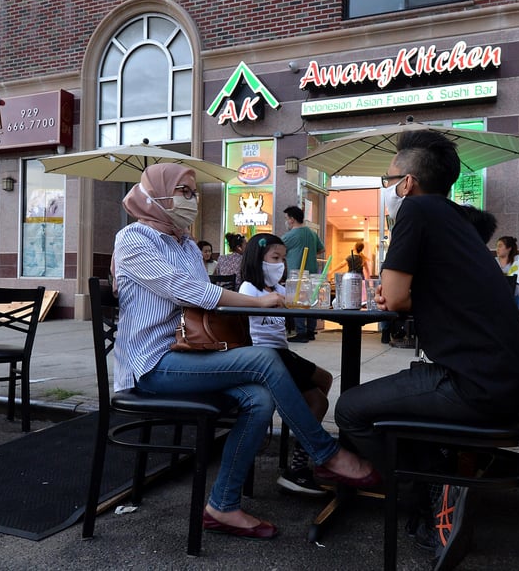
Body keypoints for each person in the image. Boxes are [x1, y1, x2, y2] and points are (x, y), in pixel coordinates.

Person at [113, 164, 377, 540]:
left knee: (258, 398)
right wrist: (266, 301)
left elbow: (205, 307)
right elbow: (194, 293)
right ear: (156, 194)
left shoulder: (186, 243)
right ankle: (326, 454)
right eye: (183, 191)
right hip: (152, 364)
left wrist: (267, 302)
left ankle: (222, 505)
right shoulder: (133, 239)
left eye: (193, 192)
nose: (191, 199)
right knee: (266, 360)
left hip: (189, 355)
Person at [334, 130, 519, 563]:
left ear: (407, 183)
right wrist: (398, 292)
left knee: (350, 409)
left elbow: (396, 297)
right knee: (394, 405)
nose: (386, 189)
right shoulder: (456, 220)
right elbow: (405, 292)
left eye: (388, 180)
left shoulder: (416, 211)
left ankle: (427, 493)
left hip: (472, 386)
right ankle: (435, 482)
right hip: (498, 381)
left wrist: (397, 292)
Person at [237, 233, 334, 496]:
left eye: (282, 259)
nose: (280, 264)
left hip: (282, 353)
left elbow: (298, 302)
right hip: (263, 356)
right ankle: (299, 468)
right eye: (274, 258)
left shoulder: (280, 289)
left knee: (324, 381)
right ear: (259, 260)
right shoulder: (249, 289)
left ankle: (301, 426)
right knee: (319, 401)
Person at [280, 205, 324, 343]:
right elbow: (321, 249)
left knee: (297, 302)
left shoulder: (288, 236)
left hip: (296, 273)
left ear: (292, 219)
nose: (286, 222)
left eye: (286, 219)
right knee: (311, 302)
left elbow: (278, 250)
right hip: (312, 272)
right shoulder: (312, 233)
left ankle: (301, 333)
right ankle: (311, 331)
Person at [495, 235, 519, 309]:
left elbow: (518, 281)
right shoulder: (493, 262)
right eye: (497, 246)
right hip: (496, 299)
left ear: (509, 248)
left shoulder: (516, 262)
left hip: (513, 299)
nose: (497, 249)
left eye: (500, 246)